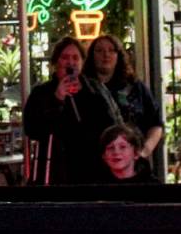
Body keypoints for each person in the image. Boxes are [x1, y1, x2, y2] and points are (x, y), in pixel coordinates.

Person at [23, 36, 122, 184]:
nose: (71, 62)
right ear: (56, 63)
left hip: (93, 171)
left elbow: (113, 125)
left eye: (76, 58)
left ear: (82, 63)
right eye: (65, 58)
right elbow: (32, 129)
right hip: (55, 172)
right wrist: (57, 99)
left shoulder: (96, 89)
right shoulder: (41, 93)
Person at [83, 35, 164, 160]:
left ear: (118, 55)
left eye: (111, 50)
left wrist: (144, 151)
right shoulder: (83, 88)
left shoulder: (135, 87)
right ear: (92, 56)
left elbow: (156, 124)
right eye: (100, 50)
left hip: (132, 165)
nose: (106, 55)